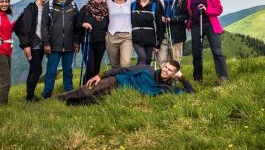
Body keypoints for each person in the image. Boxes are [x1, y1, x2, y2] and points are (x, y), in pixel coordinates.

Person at [156, 0, 228, 84]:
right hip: (195, 25)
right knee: (196, 53)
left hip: (210, 24)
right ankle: (198, 79)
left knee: (217, 51)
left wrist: (207, 10)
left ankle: (223, 77)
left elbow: (219, 9)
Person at [58, 60, 195, 103]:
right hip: (115, 82)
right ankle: (58, 98)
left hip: (119, 95)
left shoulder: (165, 89)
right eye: (165, 66)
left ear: (173, 74)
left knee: (89, 102)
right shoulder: (147, 69)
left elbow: (191, 93)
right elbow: (124, 70)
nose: (166, 70)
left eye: (170, 70)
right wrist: (101, 75)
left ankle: (69, 101)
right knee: (88, 90)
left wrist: (182, 78)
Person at [41, 0, 79, 98]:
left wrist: (77, 41)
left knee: (68, 71)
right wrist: (46, 43)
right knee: (51, 71)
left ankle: (69, 94)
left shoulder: (72, 5)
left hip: (69, 45)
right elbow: (44, 26)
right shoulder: (50, 5)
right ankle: (47, 95)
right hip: (53, 46)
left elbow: (77, 25)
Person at [18, 0, 51, 101]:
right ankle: (30, 96)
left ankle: (29, 95)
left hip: (42, 44)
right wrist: (26, 46)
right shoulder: (31, 8)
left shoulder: (47, 9)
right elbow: (24, 28)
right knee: (37, 70)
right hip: (32, 45)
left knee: (33, 69)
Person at [75, 0, 109, 83]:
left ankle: (92, 91)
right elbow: (76, 24)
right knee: (90, 68)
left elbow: (108, 25)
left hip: (101, 43)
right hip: (87, 42)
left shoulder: (105, 11)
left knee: (96, 69)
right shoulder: (85, 9)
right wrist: (83, 24)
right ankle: (84, 89)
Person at [156, 0, 188, 67]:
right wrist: (159, 18)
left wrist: (173, 19)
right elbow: (154, 14)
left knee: (175, 61)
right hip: (162, 34)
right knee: (162, 60)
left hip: (177, 34)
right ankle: (164, 80)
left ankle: (175, 80)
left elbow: (186, 15)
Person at [131, 0, 164, 65]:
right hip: (137, 39)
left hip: (150, 39)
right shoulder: (133, 5)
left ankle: (143, 77)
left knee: (148, 60)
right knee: (142, 58)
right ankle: (138, 76)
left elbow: (159, 25)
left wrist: (158, 44)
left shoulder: (155, 5)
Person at [106, 0, 132, 69]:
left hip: (126, 37)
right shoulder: (107, 1)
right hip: (112, 36)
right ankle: (116, 83)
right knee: (115, 65)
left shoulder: (131, 2)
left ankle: (125, 83)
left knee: (125, 64)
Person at [0, 0, 14, 104]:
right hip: (1, 52)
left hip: (7, 51)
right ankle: (2, 105)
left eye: (6, 1)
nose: (4, 4)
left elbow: (7, 30)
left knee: (3, 80)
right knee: (6, 81)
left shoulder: (4, 16)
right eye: (1, 1)